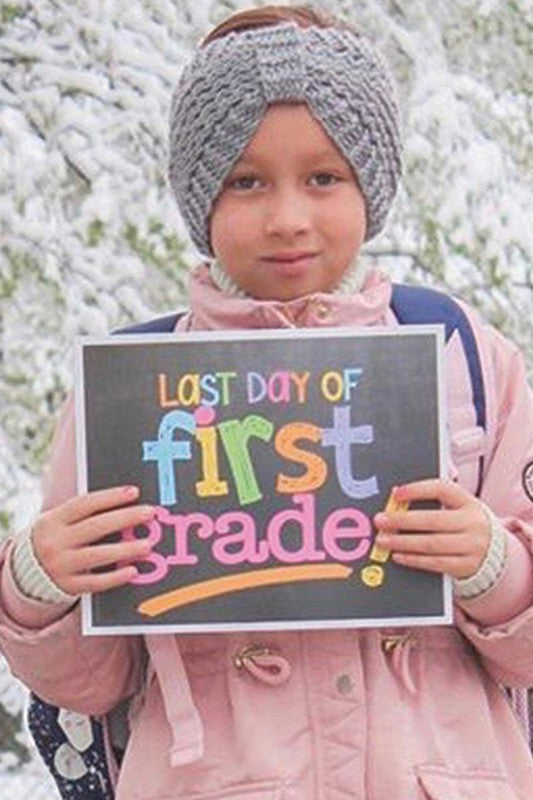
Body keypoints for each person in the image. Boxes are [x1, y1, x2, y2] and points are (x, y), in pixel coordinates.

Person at [1, 5, 533, 798]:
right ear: (199, 199)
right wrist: (37, 588)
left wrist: (494, 569)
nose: (287, 219)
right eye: (246, 181)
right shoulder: (131, 389)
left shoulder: (464, 357)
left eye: (324, 177)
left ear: (371, 184)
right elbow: (93, 684)